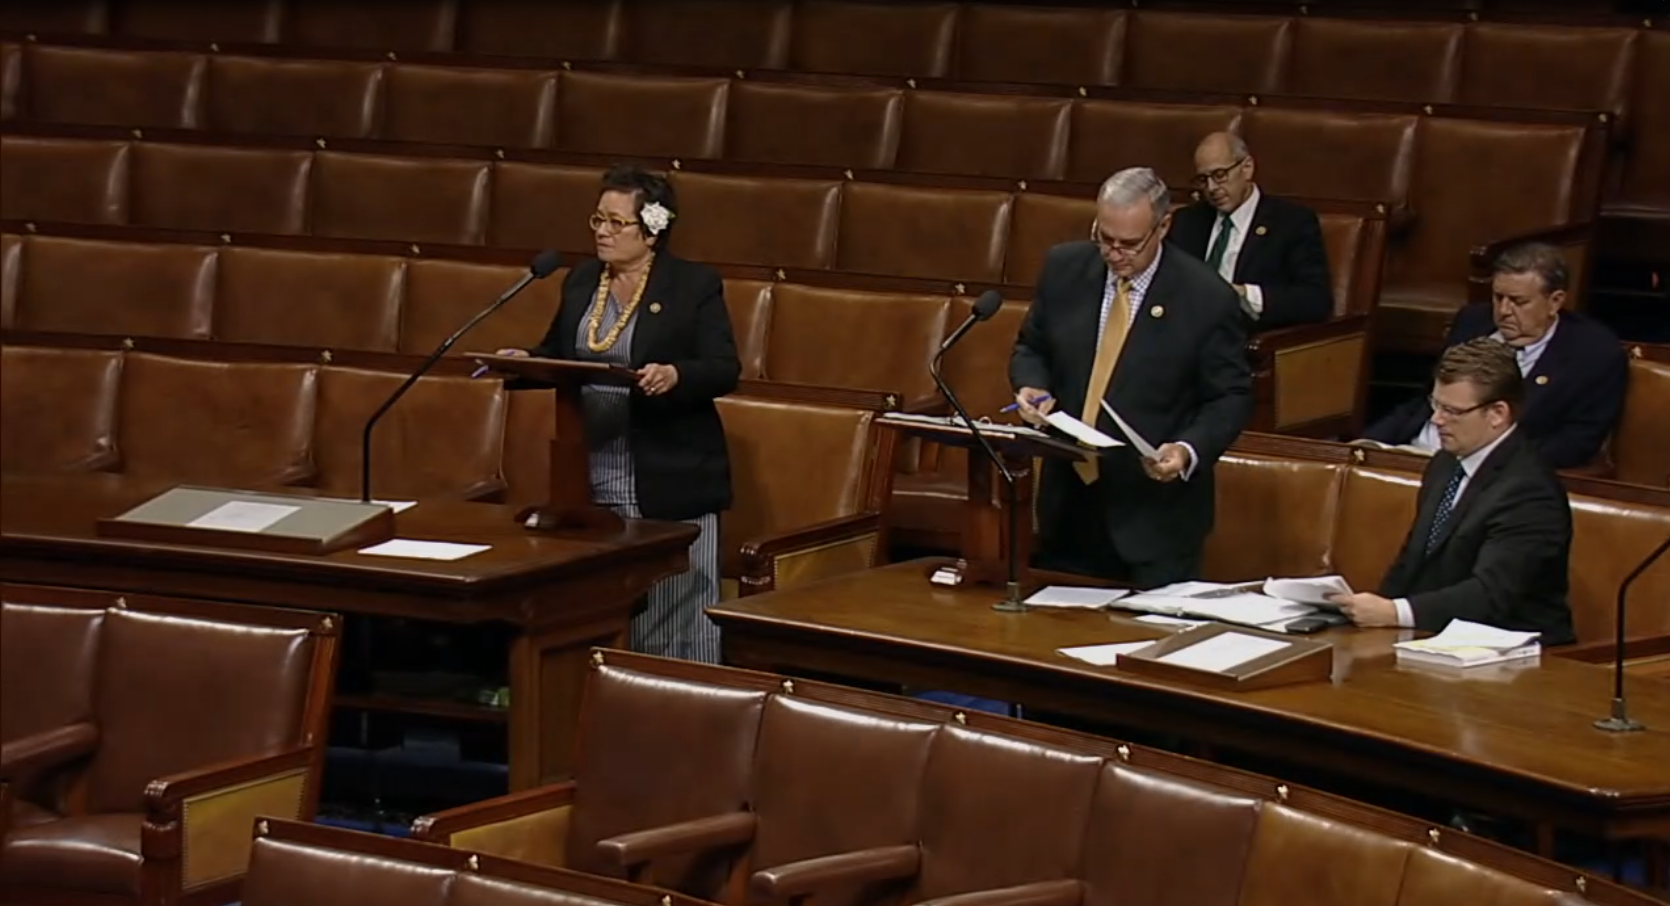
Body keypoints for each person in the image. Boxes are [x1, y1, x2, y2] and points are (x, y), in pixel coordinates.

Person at [498, 165, 740, 663]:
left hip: (669, 475)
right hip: (593, 476)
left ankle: (683, 722)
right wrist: (524, 361)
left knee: (675, 609)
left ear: (651, 229)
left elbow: (723, 367)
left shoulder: (692, 285)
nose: (602, 232)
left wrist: (675, 374)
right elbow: (559, 350)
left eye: (615, 222)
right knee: (608, 611)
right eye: (597, 220)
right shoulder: (584, 280)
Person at [1010, 167, 1253, 587]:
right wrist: (1032, 384)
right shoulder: (1065, 268)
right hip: (1069, 508)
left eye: (1129, 244)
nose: (1114, 253)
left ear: (1163, 226)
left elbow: (1230, 397)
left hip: (1153, 520)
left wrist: (1186, 449)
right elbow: (1031, 347)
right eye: (1104, 238)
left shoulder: (1205, 297)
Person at [1331, 338, 1576, 645]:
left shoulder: (1530, 492)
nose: (1436, 420)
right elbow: (1412, 562)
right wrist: (1369, 613)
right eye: (1435, 405)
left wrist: (1395, 613)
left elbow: (1490, 595)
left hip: (1517, 653)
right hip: (1437, 637)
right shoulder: (1445, 463)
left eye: (1452, 411)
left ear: (1497, 413)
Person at [1360, 242, 1627, 470]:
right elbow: (1422, 402)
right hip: (1412, 455)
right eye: (1498, 297)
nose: (1503, 310)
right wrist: (1365, 445)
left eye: (1518, 301)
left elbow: (1576, 443)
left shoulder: (1593, 352)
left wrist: (1486, 465)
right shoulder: (1473, 321)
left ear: (1555, 301)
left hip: (1488, 476)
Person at [1167, 132, 1333, 330]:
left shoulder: (1291, 223)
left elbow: (1315, 300)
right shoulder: (1187, 221)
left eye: (1220, 175)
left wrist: (1245, 295)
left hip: (1244, 341)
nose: (1211, 188)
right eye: (1203, 179)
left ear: (1247, 168)